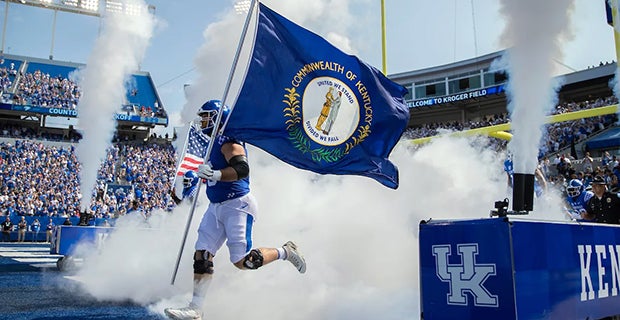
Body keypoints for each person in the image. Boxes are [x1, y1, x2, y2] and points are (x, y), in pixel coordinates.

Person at [164, 100, 307, 320]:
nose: (202, 120)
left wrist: (216, 175)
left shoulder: (229, 141)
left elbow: (242, 168)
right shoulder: (212, 143)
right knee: (202, 255)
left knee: (244, 261)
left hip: (237, 206)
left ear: (218, 117)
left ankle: (285, 251)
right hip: (216, 206)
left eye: (206, 116)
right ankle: (196, 308)